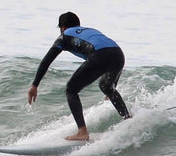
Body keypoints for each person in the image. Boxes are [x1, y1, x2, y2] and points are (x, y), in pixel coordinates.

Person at [28, 11, 130, 141]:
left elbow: (46, 61)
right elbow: (110, 53)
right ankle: (127, 119)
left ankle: (82, 132)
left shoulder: (64, 36)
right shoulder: (90, 30)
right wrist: (112, 85)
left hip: (100, 55)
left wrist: (34, 85)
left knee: (71, 89)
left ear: (63, 27)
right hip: (119, 54)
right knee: (106, 86)